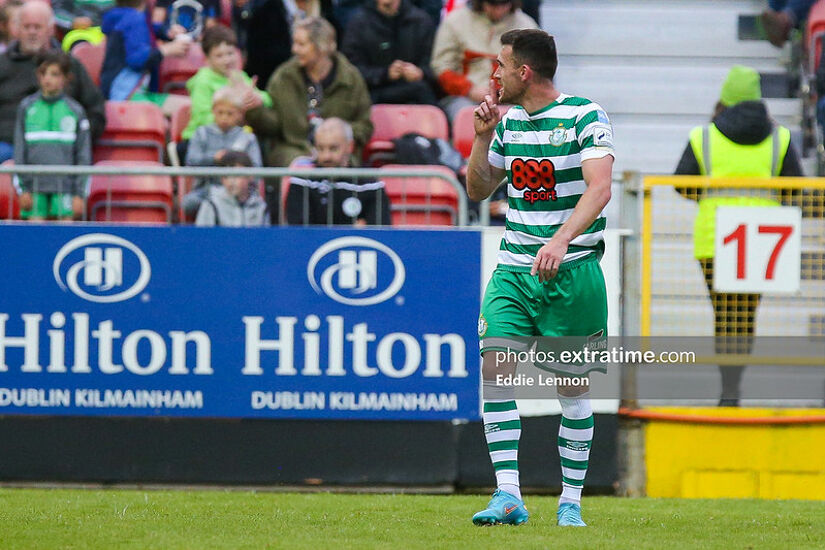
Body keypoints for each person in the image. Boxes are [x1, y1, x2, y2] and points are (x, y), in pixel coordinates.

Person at [467, 29, 614, 527]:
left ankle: (570, 500)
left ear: (523, 72)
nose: (495, 75)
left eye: (501, 66)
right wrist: (483, 136)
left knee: (571, 389)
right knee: (495, 369)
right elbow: (479, 189)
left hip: (572, 273)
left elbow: (600, 188)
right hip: (515, 269)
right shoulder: (508, 126)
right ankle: (508, 493)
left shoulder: (584, 116)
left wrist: (561, 239)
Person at [674, 65, 802, 407]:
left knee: (723, 314)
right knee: (745, 316)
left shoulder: (704, 136)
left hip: (714, 238)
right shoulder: (782, 137)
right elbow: (796, 189)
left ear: (725, 97)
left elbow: (681, 183)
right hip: (764, 237)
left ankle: (727, 387)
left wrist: (710, 197)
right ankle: (734, 384)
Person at [245, 16, 372, 167]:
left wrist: (338, 134)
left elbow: (365, 125)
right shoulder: (284, 76)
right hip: (294, 150)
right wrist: (256, 109)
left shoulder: (351, 78)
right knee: (302, 168)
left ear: (321, 47)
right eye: (295, 43)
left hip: (338, 153)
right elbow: (274, 125)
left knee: (337, 162)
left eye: (301, 44)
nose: (294, 49)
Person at [0, 0, 105, 163]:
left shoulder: (70, 65)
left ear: (51, 30)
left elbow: (96, 110)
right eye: (27, 27)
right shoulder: (2, 65)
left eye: (37, 27)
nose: (32, 32)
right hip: (8, 146)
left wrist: (75, 136)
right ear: (17, 30)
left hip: (61, 147)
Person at [14, 51, 91, 221]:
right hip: (34, 188)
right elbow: (19, 152)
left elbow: (83, 155)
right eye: (43, 73)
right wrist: (22, 189)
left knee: (64, 238)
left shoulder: (75, 111)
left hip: (65, 189)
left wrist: (79, 193)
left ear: (65, 78)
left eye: (54, 74)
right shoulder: (26, 108)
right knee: (34, 238)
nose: (47, 79)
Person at [430, 0, 536, 121]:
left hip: (512, 98)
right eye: (492, 4)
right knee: (466, 118)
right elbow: (441, 66)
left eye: (504, 4)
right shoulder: (455, 21)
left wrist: (508, 91)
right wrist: (468, 89)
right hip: (465, 97)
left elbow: (534, 69)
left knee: (526, 116)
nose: (498, 10)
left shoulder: (526, 25)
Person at [286, 117, 391, 225]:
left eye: (333, 148)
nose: (326, 156)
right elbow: (300, 233)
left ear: (350, 146)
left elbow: (380, 234)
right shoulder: (301, 183)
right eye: (320, 149)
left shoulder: (371, 186)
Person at [183, 85, 263, 218]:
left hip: (240, 192)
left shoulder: (248, 138)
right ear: (213, 111)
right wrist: (213, 158)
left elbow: (256, 168)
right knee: (189, 203)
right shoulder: (201, 133)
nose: (224, 117)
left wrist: (239, 172)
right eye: (220, 112)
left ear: (240, 114)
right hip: (205, 190)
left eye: (230, 113)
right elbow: (191, 160)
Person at [100, 0, 191, 114]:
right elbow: (136, 59)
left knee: (188, 106)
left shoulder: (121, 14)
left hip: (131, 93)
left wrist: (167, 32)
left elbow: (147, 29)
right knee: (189, 109)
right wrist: (166, 50)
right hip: (126, 96)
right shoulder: (134, 19)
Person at [182, 24, 270, 141]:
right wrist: (233, 112)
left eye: (230, 53)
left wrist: (258, 98)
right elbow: (202, 118)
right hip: (202, 140)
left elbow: (268, 99)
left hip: (233, 136)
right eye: (219, 56)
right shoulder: (202, 81)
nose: (227, 60)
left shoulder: (238, 76)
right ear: (207, 59)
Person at [341, 0, 437, 105]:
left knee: (423, 92)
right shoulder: (359, 24)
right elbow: (351, 70)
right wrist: (385, 74)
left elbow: (435, 65)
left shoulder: (420, 21)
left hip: (416, 93)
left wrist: (421, 73)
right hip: (374, 94)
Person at [195, 150, 269, 226]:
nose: (231, 181)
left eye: (236, 175)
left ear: (250, 176)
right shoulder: (211, 205)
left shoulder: (261, 207)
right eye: (226, 176)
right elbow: (201, 236)